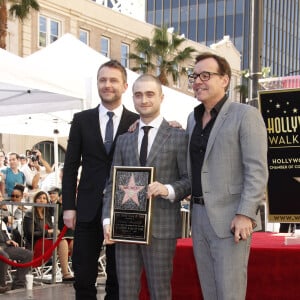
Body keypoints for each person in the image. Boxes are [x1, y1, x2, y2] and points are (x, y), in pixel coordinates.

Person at [186, 52, 268, 300]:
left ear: (224, 80)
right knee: (209, 292)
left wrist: (245, 214)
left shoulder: (245, 115)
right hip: (198, 218)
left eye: (205, 75)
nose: (198, 81)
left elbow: (257, 170)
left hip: (232, 219)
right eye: (194, 75)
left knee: (229, 293)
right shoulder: (192, 118)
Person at [102, 74, 191, 300]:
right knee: (127, 293)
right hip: (126, 228)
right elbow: (113, 183)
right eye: (139, 95)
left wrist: (167, 189)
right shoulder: (124, 139)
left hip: (161, 229)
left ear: (161, 97)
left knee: (160, 292)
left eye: (150, 94)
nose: (144, 100)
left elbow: (189, 180)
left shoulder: (179, 136)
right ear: (132, 98)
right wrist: (107, 221)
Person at [62, 60, 139, 300]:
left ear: (125, 86)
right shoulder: (81, 119)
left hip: (123, 209)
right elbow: (71, 166)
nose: (107, 85)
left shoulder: (137, 121)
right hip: (86, 209)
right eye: (103, 80)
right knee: (83, 276)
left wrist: (171, 126)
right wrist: (68, 207)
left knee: (118, 278)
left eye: (113, 80)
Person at [23, 191, 73, 282]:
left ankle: (80, 271)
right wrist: (48, 231)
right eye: (39, 198)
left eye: (44, 198)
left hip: (47, 241)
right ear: (35, 200)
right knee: (62, 242)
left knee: (72, 242)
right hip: (36, 243)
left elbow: (55, 223)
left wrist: (55, 231)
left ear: (47, 201)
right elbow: (30, 234)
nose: (42, 200)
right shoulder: (29, 214)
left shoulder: (47, 215)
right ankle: (65, 274)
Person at [0, 217, 32, 292]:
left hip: (4, 246)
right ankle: (1, 285)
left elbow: (2, 233)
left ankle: (18, 284)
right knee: (4, 256)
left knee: (28, 254)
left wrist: (8, 240)